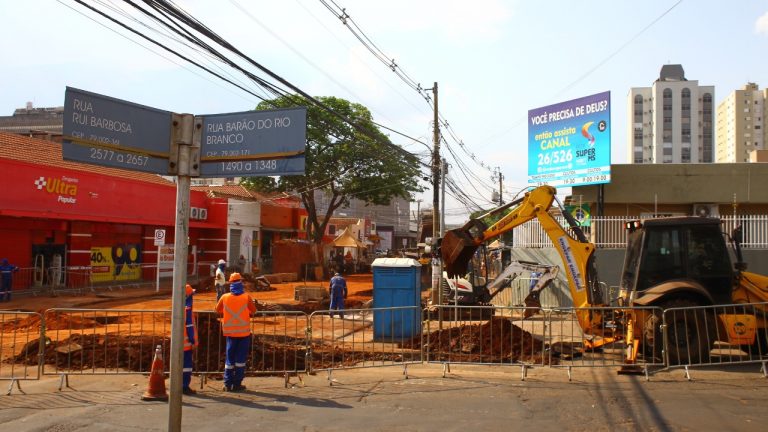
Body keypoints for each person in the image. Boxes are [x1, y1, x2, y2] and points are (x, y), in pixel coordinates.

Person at [215, 273, 256, 392]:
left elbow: (217, 310)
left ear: (231, 284)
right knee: (240, 360)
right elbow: (253, 311)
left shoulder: (224, 297)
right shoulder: (246, 297)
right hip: (243, 334)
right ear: (241, 283)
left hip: (230, 334)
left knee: (229, 359)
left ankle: (227, 384)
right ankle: (237, 383)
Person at [182, 284, 198, 395]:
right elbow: (189, 327)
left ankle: (179, 385)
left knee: (180, 365)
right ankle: (184, 386)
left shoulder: (178, 308)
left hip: (178, 343)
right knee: (186, 366)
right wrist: (193, 341)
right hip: (186, 343)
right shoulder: (187, 310)